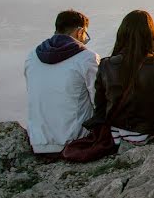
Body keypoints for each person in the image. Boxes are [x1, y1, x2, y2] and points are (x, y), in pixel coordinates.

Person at [85, 10, 154, 146]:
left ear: (121, 34)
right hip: (148, 132)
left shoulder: (105, 64)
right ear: (150, 35)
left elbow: (100, 106)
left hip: (115, 135)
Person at [25, 9, 100, 157]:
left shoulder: (32, 57)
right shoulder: (87, 58)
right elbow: (99, 99)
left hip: (38, 143)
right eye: (86, 34)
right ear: (79, 31)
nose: (85, 39)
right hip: (75, 141)